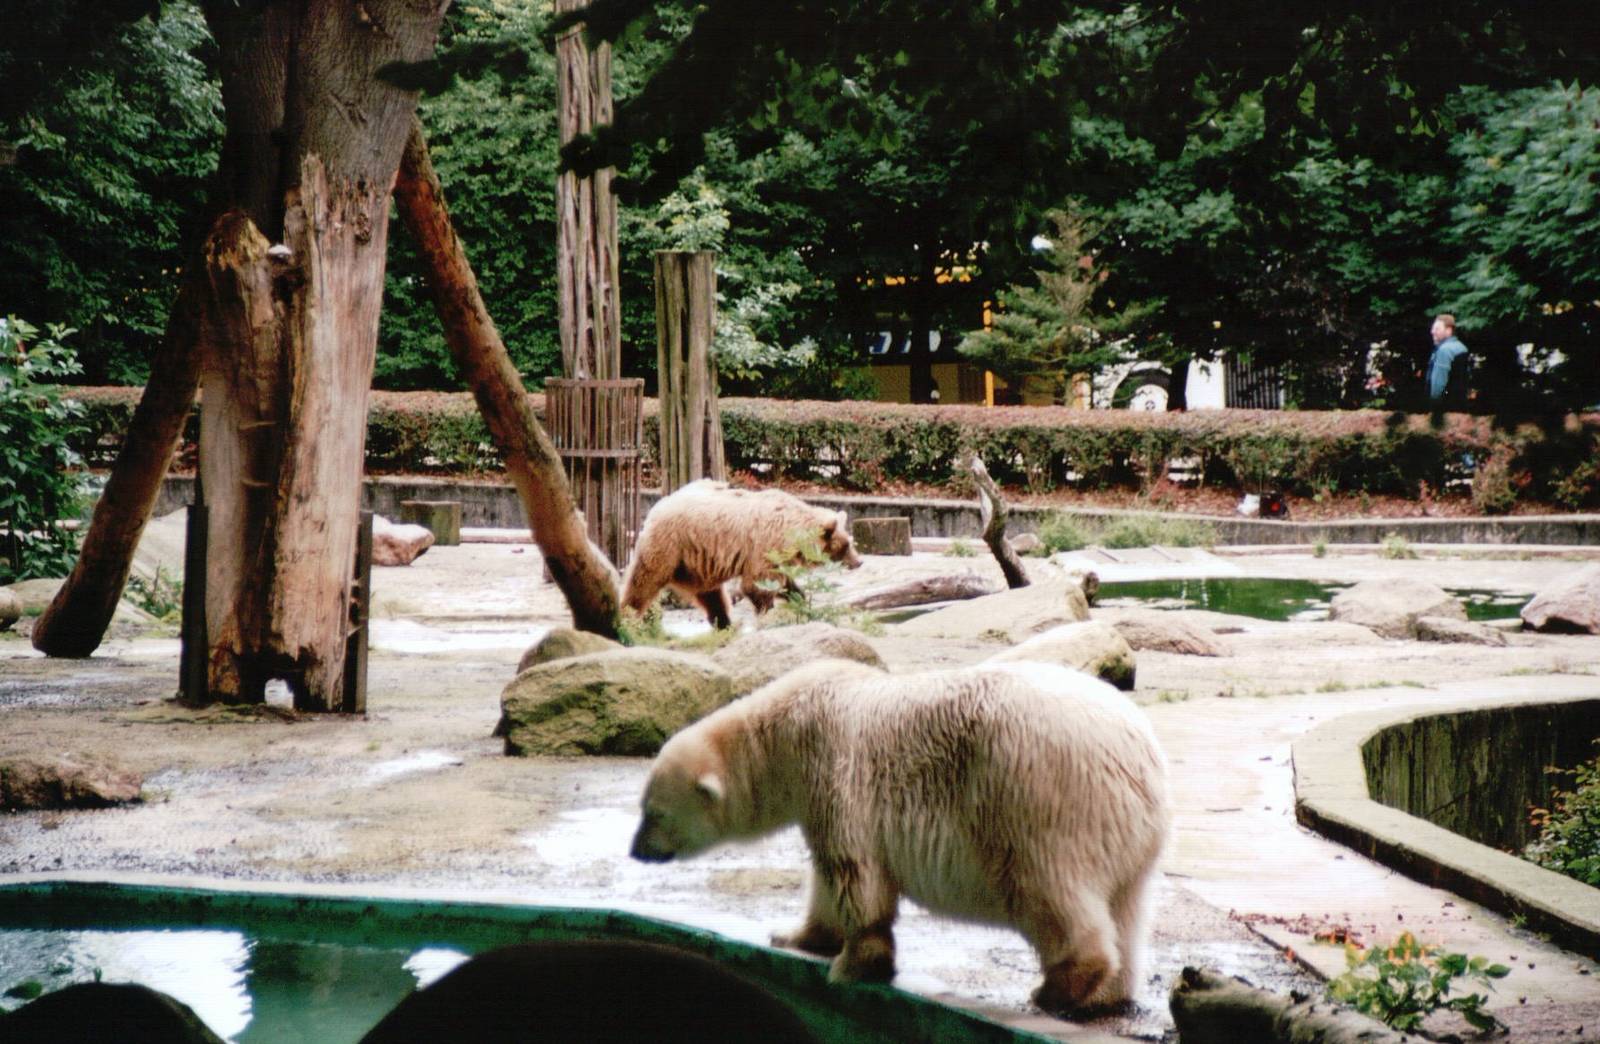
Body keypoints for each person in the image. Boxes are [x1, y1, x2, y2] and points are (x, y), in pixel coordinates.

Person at [1425, 313, 1471, 410]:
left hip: (1444, 408)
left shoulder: (1445, 350)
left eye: (1437, 329)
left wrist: (1433, 406)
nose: (1432, 332)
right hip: (1460, 405)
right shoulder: (1462, 348)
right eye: (1433, 328)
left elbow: (1438, 383)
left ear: (1449, 330)